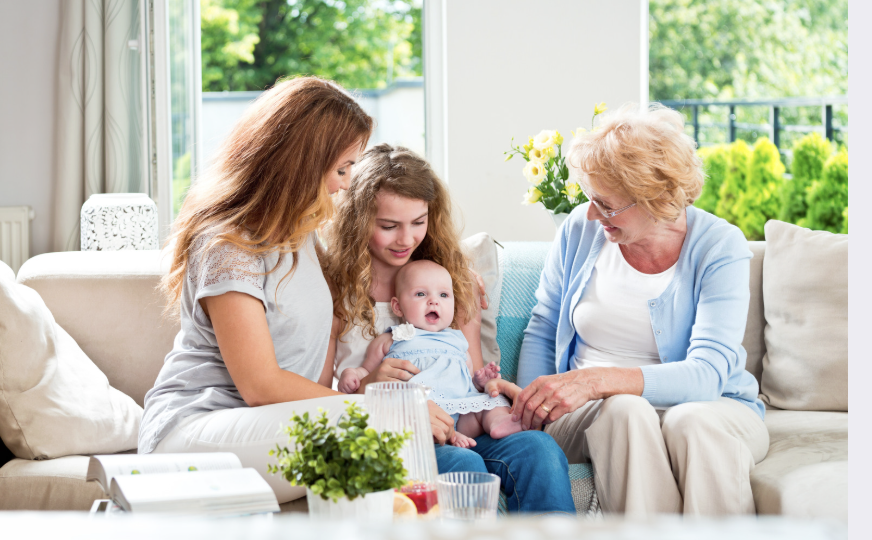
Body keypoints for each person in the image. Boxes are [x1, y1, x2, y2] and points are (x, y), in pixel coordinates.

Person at [512, 103, 769, 517]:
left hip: (713, 406)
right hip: (588, 413)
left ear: (656, 198)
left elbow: (707, 375)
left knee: (694, 424)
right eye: (591, 199)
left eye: (607, 204)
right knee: (625, 410)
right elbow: (543, 326)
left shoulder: (719, 245)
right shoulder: (581, 229)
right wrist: (532, 407)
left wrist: (598, 380)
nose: (593, 214)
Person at [138, 76, 375, 504]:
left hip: (263, 425)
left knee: (382, 429)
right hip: (194, 430)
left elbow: (307, 380)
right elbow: (261, 385)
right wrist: (380, 410)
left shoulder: (301, 235)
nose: (344, 184)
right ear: (301, 163)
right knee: (378, 427)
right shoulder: (227, 243)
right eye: (341, 169)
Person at [323, 143, 575, 514]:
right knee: (462, 466)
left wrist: (490, 387)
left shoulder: (451, 283)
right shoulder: (335, 290)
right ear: (359, 219)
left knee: (541, 450)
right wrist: (369, 387)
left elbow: (470, 369)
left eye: (419, 222)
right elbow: (314, 396)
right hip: (391, 433)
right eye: (389, 226)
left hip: (463, 419)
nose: (406, 239)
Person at [338, 259, 522, 447]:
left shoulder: (458, 341)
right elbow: (369, 373)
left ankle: (497, 423)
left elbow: (467, 382)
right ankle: (450, 436)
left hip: (459, 410)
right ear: (398, 306)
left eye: (443, 295)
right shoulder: (394, 338)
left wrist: (480, 381)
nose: (434, 301)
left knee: (492, 401)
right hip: (418, 412)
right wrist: (352, 375)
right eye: (420, 294)